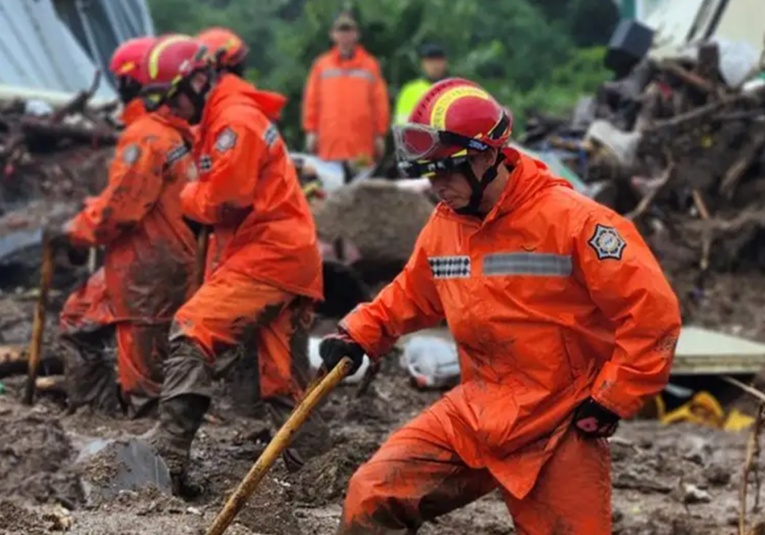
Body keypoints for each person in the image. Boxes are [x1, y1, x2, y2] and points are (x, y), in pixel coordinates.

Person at [318, 78, 682, 534]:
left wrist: (612, 398)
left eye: (447, 170)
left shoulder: (576, 221)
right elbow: (411, 293)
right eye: (430, 173)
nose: (437, 185)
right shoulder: (445, 225)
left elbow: (652, 313)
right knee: (372, 497)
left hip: (560, 421)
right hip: (477, 409)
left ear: (488, 155)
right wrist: (358, 334)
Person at [138, 35, 326, 490]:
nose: (173, 111)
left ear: (198, 80)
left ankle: (168, 459)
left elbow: (228, 197)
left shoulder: (234, 122)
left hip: (268, 254)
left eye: (174, 98)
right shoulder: (227, 116)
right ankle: (318, 472)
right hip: (286, 255)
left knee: (192, 327)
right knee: (283, 379)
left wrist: (188, 196)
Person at [52, 35, 198, 418]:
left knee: (145, 381)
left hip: (146, 269)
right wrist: (85, 216)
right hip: (156, 258)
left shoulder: (146, 137)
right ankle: (94, 418)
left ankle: (136, 433)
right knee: (77, 318)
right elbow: (131, 197)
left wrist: (72, 232)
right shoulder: (171, 133)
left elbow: (119, 211)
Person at [302, 9, 389, 164]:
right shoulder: (321, 65)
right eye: (341, 30)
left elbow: (379, 102)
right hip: (329, 146)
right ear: (333, 34)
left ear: (357, 34)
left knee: (361, 187)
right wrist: (311, 131)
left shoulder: (370, 65)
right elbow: (311, 101)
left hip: (362, 146)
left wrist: (380, 134)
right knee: (330, 187)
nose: (345, 35)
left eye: (349, 30)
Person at [393, 43, 448, 125]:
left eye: (439, 61)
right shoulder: (410, 92)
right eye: (431, 62)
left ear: (445, 63)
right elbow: (402, 124)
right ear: (423, 64)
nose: (435, 66)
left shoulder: (454, 89)